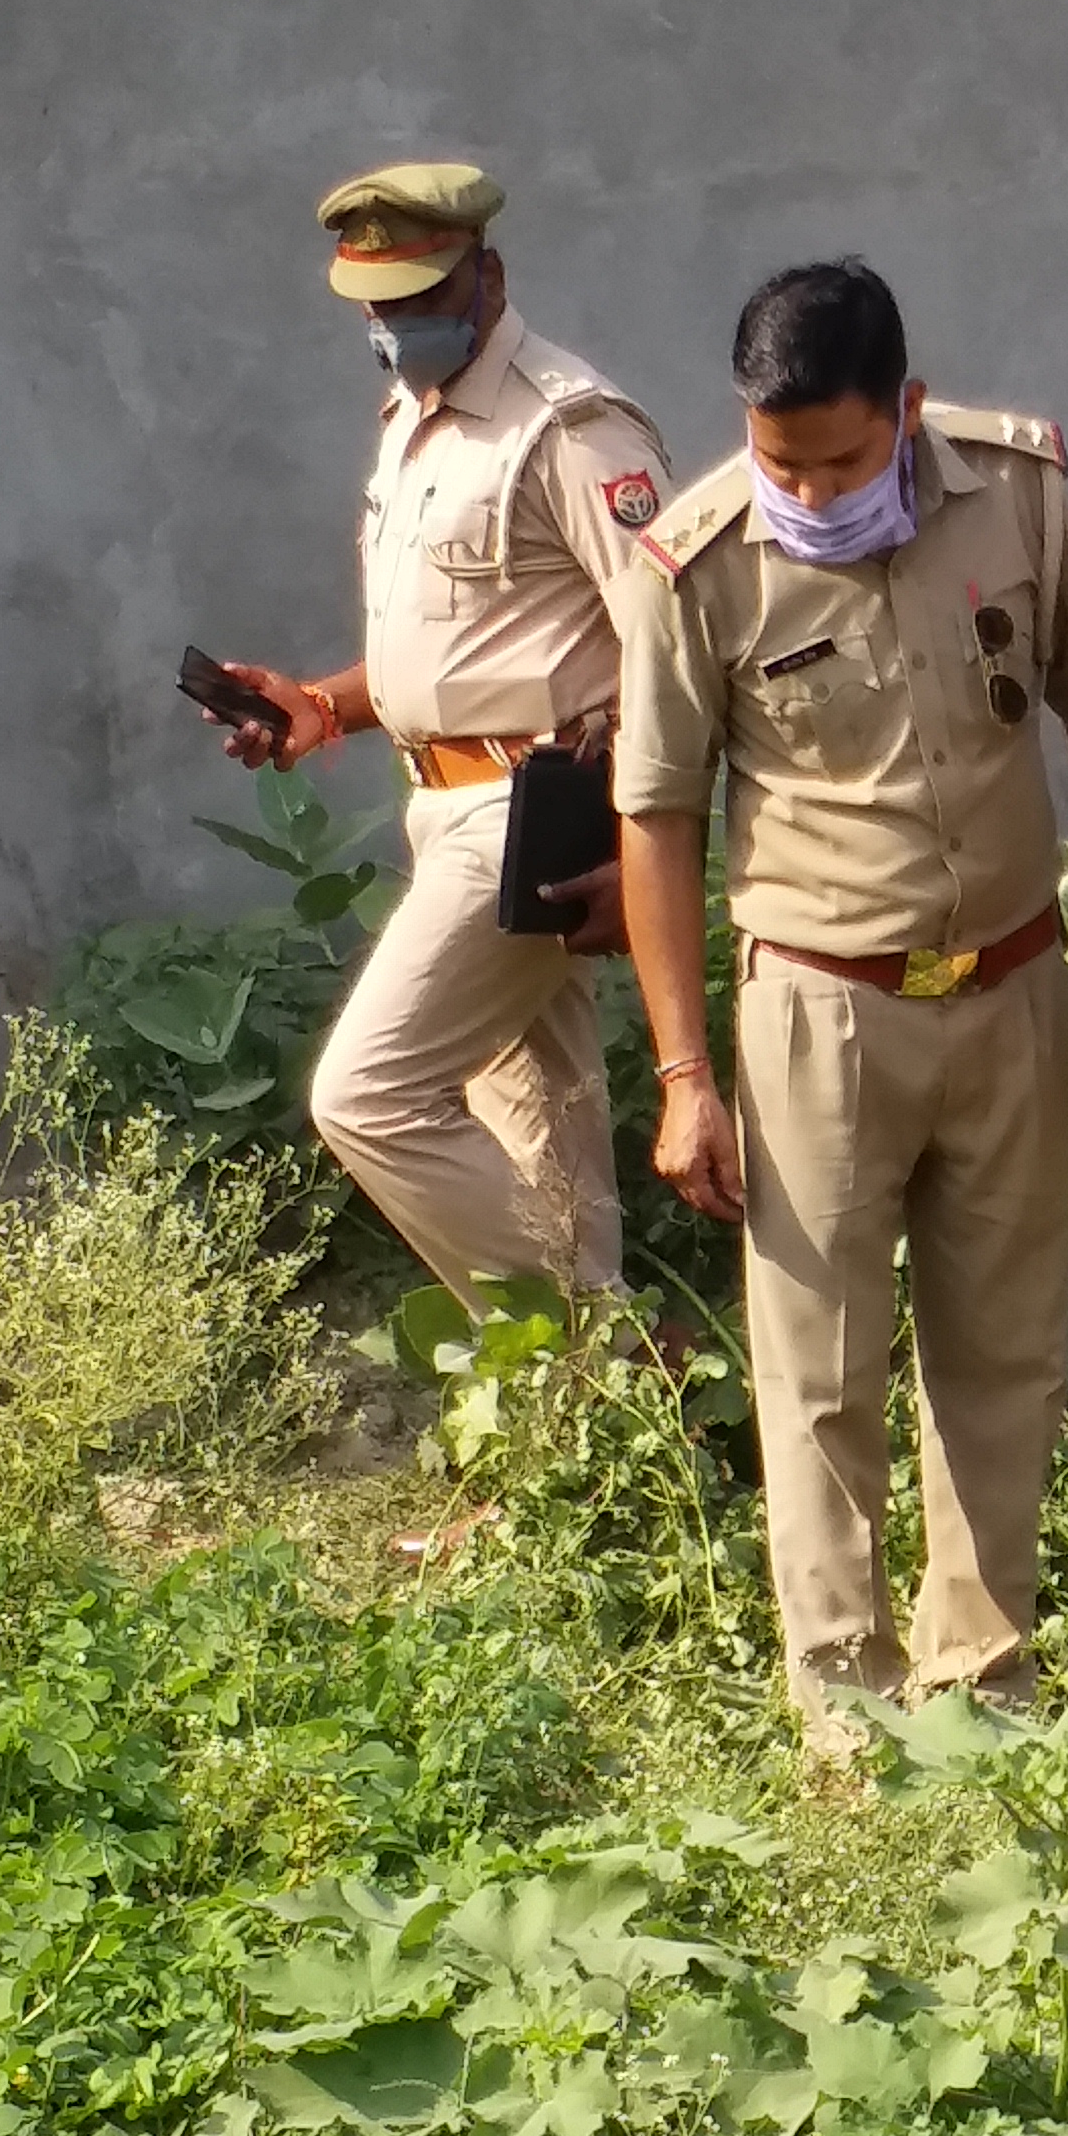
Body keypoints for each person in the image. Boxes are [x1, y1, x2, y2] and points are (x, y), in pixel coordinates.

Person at [608, 261, 1068, 1749]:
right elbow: (656, 815)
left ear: (906, 406)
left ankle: (986, 1680)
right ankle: (846, 1707)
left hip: (1014, 988)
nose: (813, 490)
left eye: (842, 457)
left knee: (1005, 1348)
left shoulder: (1014, 491)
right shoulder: (700, 565)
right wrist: (684, 1070)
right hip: (824, 1011)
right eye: (782, 462)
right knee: (819, 1368)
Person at [207, 162, 668, 1305]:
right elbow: (460, 650)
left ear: (488, 274)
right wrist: (324, 706)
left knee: (367, 1096)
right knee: (538, 1125)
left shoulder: (570, 428)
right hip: (451, 805)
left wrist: (644, 847)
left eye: (419, 296)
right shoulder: (415, 422)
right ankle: (580, 1449)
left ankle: (602, 1346)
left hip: (544, 812)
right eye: (377, 304)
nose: (395, 325)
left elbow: (678, 654)